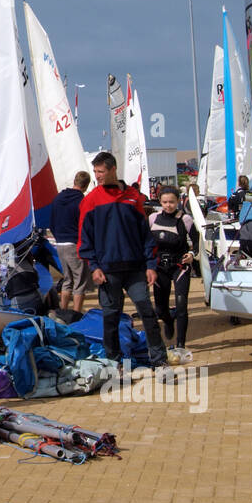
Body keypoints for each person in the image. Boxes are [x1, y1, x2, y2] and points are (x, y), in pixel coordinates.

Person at [77, 153, 168, 370]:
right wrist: (94, 266)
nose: (97, 176)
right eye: (95, 172)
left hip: (136, 268)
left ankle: (159, 360)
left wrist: (151, 265)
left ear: (113, 169)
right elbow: (84, 237)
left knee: (147, 312)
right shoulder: (90, 200)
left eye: (101, 171)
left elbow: (145, 233)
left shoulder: (133, 197)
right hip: (107, 271)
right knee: (110, 318)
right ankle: (113, 362)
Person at [149, 187, 199, 352]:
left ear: (178, 201)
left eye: (171, 202)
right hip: (160, 267)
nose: (168, 206)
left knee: (181, 304)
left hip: (180, 266)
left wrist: (191, 254)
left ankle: (180, 345)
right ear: (160, 202)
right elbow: (145, 243)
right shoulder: (153, 219)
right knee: (160, 308)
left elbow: (197, 242)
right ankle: (168, 320)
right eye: (164, 202)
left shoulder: (185, 219)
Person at [51, 170, 92, 313]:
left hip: (60, 243)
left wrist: (58, 237)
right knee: (79, 282)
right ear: (86, 185)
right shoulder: (82, 201)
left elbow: (52, 221)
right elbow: (86, 224)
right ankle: (76, 314)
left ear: (74, 181)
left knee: (67, 280)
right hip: (74, 243)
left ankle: (63, 312)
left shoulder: (58, 198)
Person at [1, 229, 61, 315]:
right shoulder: (28, 261)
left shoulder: (5, 265)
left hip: (19, 303)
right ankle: (50, 312)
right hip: (36, 300)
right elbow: (40, 281)